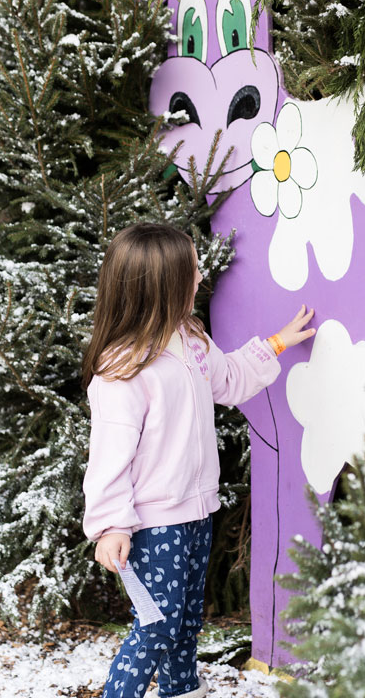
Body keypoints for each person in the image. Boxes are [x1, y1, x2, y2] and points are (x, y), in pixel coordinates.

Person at [81, 223, 315, 698]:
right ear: (164, 285)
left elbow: (229, 379)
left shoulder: (191, 342)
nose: (201, 275)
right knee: (155, 628)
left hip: (195, 515)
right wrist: (110, 526)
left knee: (186, 624)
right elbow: (108, 458)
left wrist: (276, 344)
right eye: (192, 270)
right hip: (150, 526)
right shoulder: (123, 370)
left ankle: (182, 691)